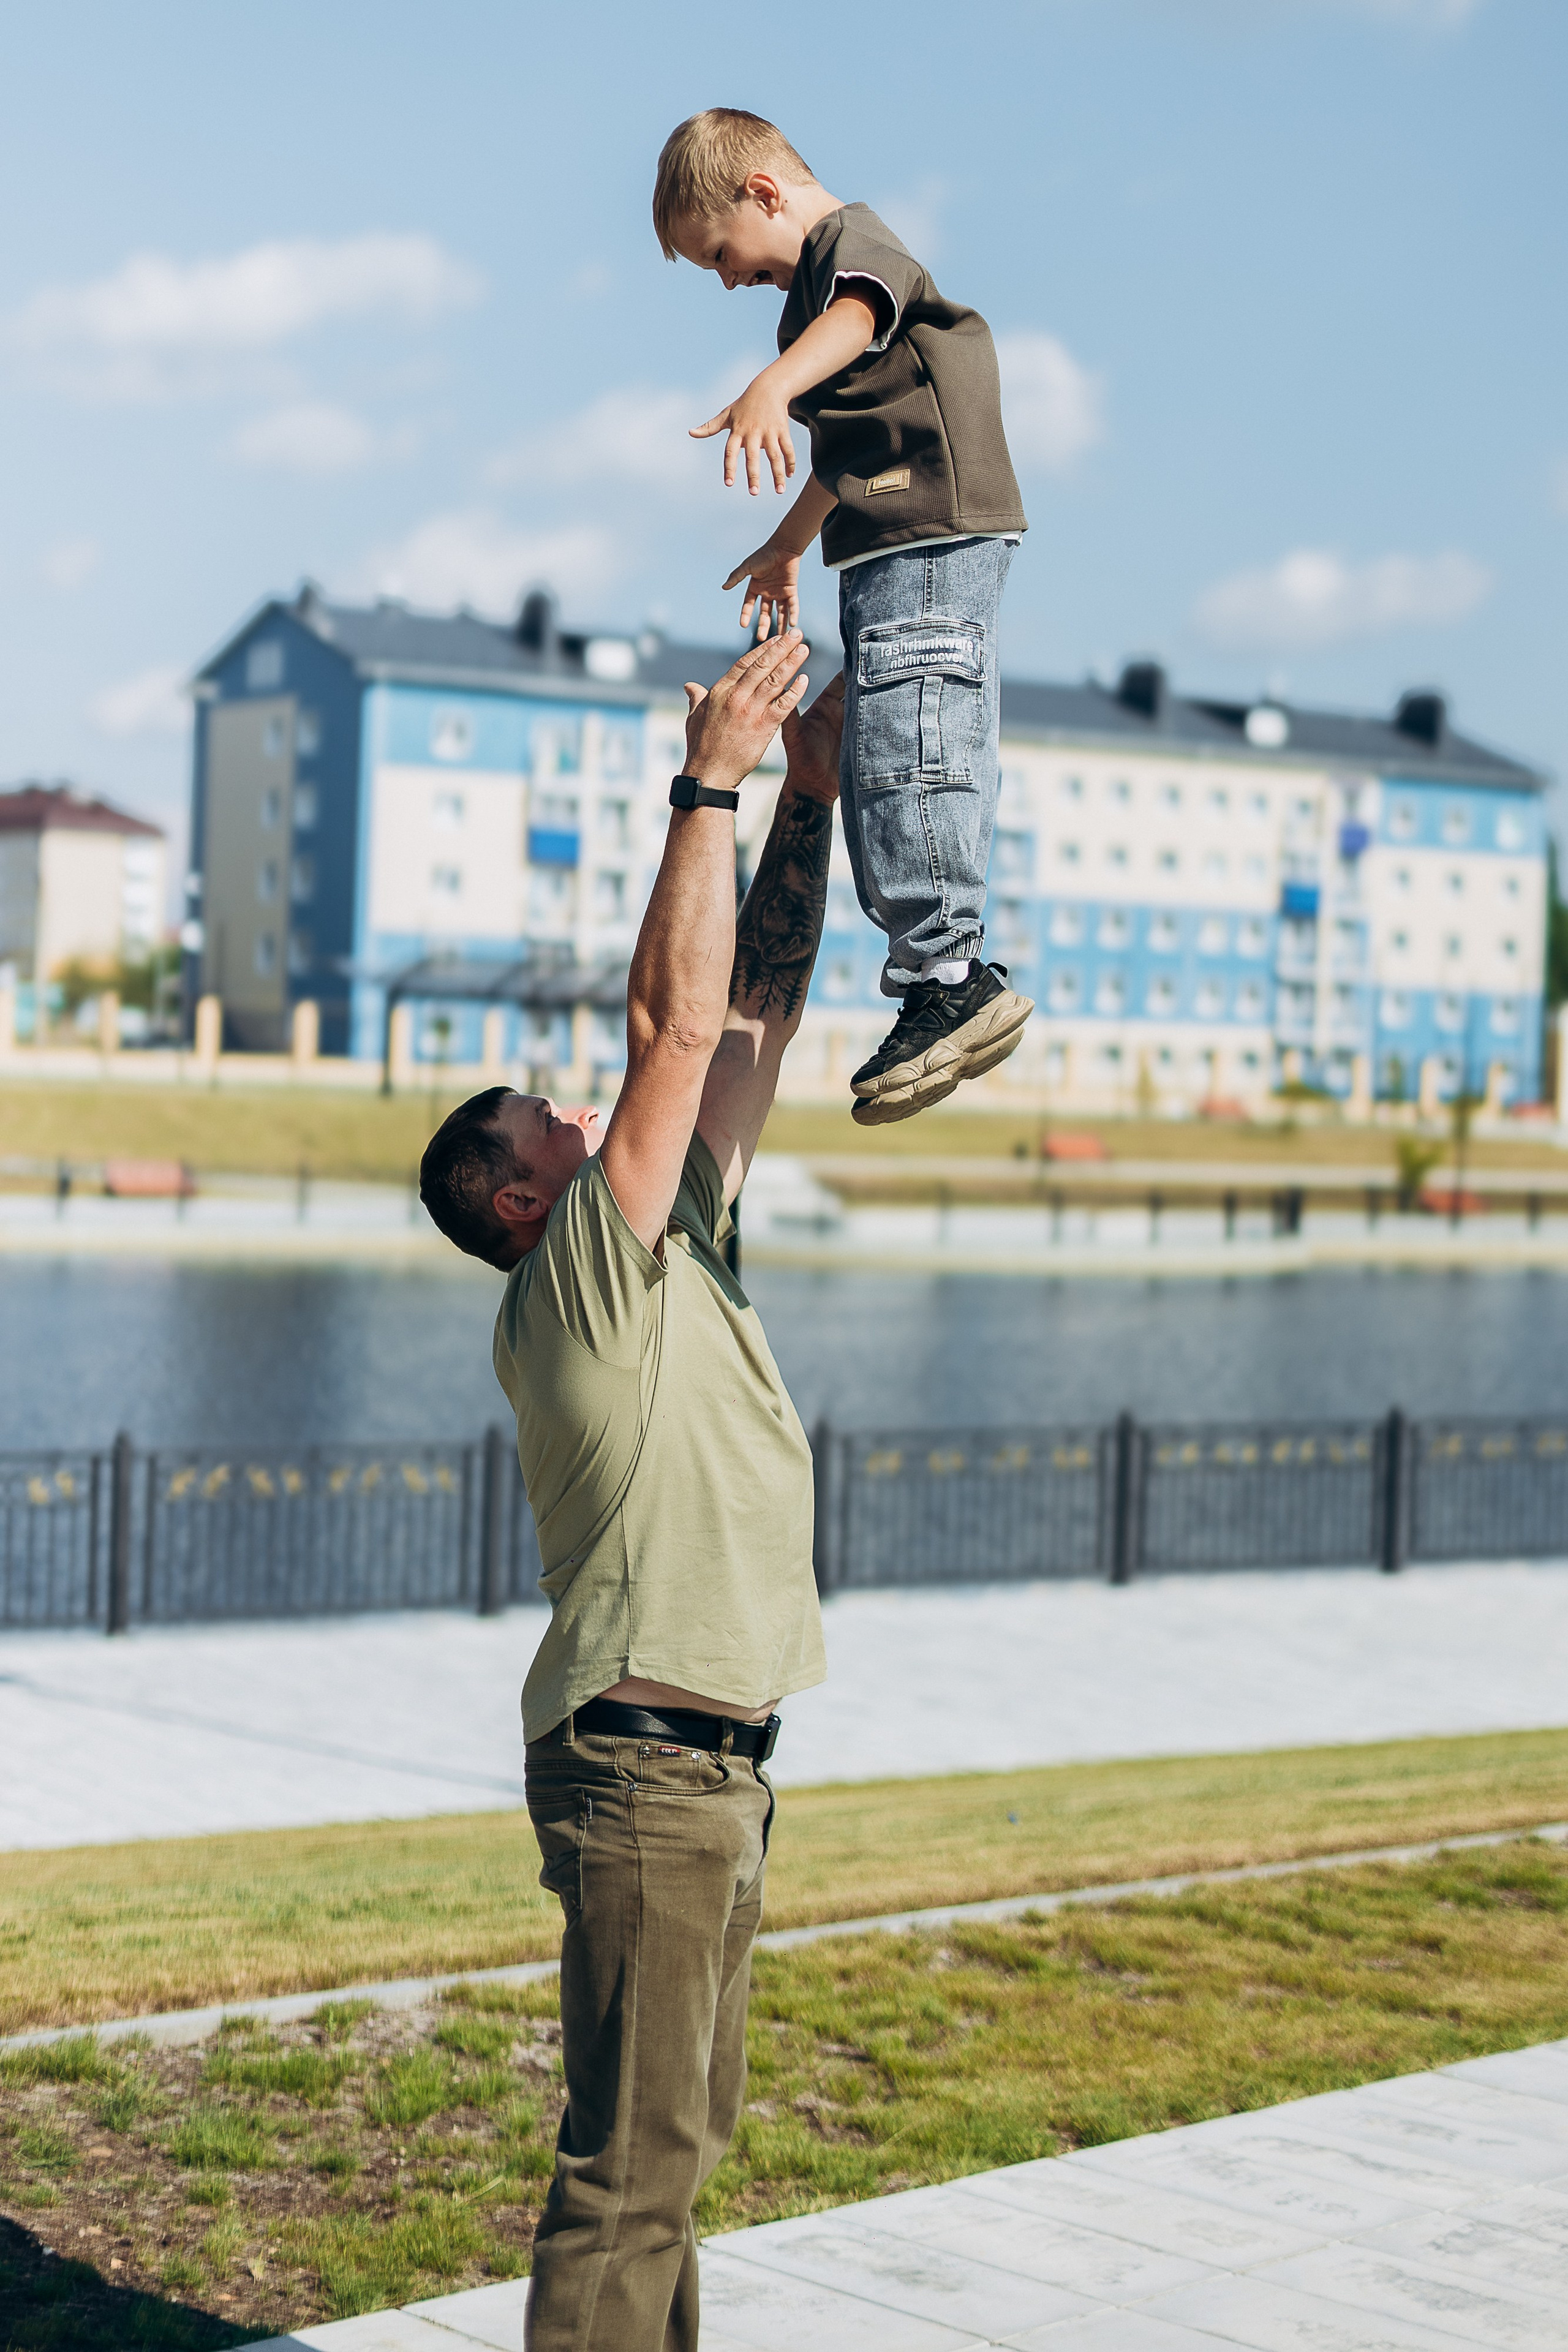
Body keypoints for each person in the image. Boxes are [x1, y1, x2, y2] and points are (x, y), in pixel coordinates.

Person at [418, 629, 842, 2352]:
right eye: (553, 1126)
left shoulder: (672, 1254)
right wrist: (707, 786)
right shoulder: (578, 1285)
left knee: (671, 2162)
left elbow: (748, 1017)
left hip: (712, 1771)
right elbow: (670, 1033)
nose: (587, 1116)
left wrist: (807, 801)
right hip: (649, 1771)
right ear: (523, 1205)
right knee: (629, 2177)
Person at [654, 105, 1035, 1126]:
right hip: (890, 542)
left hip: (926, 536)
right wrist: (787, 544)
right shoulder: (810, 313)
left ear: (764, 193)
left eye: (723, 254)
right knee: (879, 756)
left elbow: (863, 312)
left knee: (916, 744)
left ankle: (950, 975)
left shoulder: (849, 250)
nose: (729, 280)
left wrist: (770, 385)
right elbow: (844, 456)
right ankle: (933, 980)